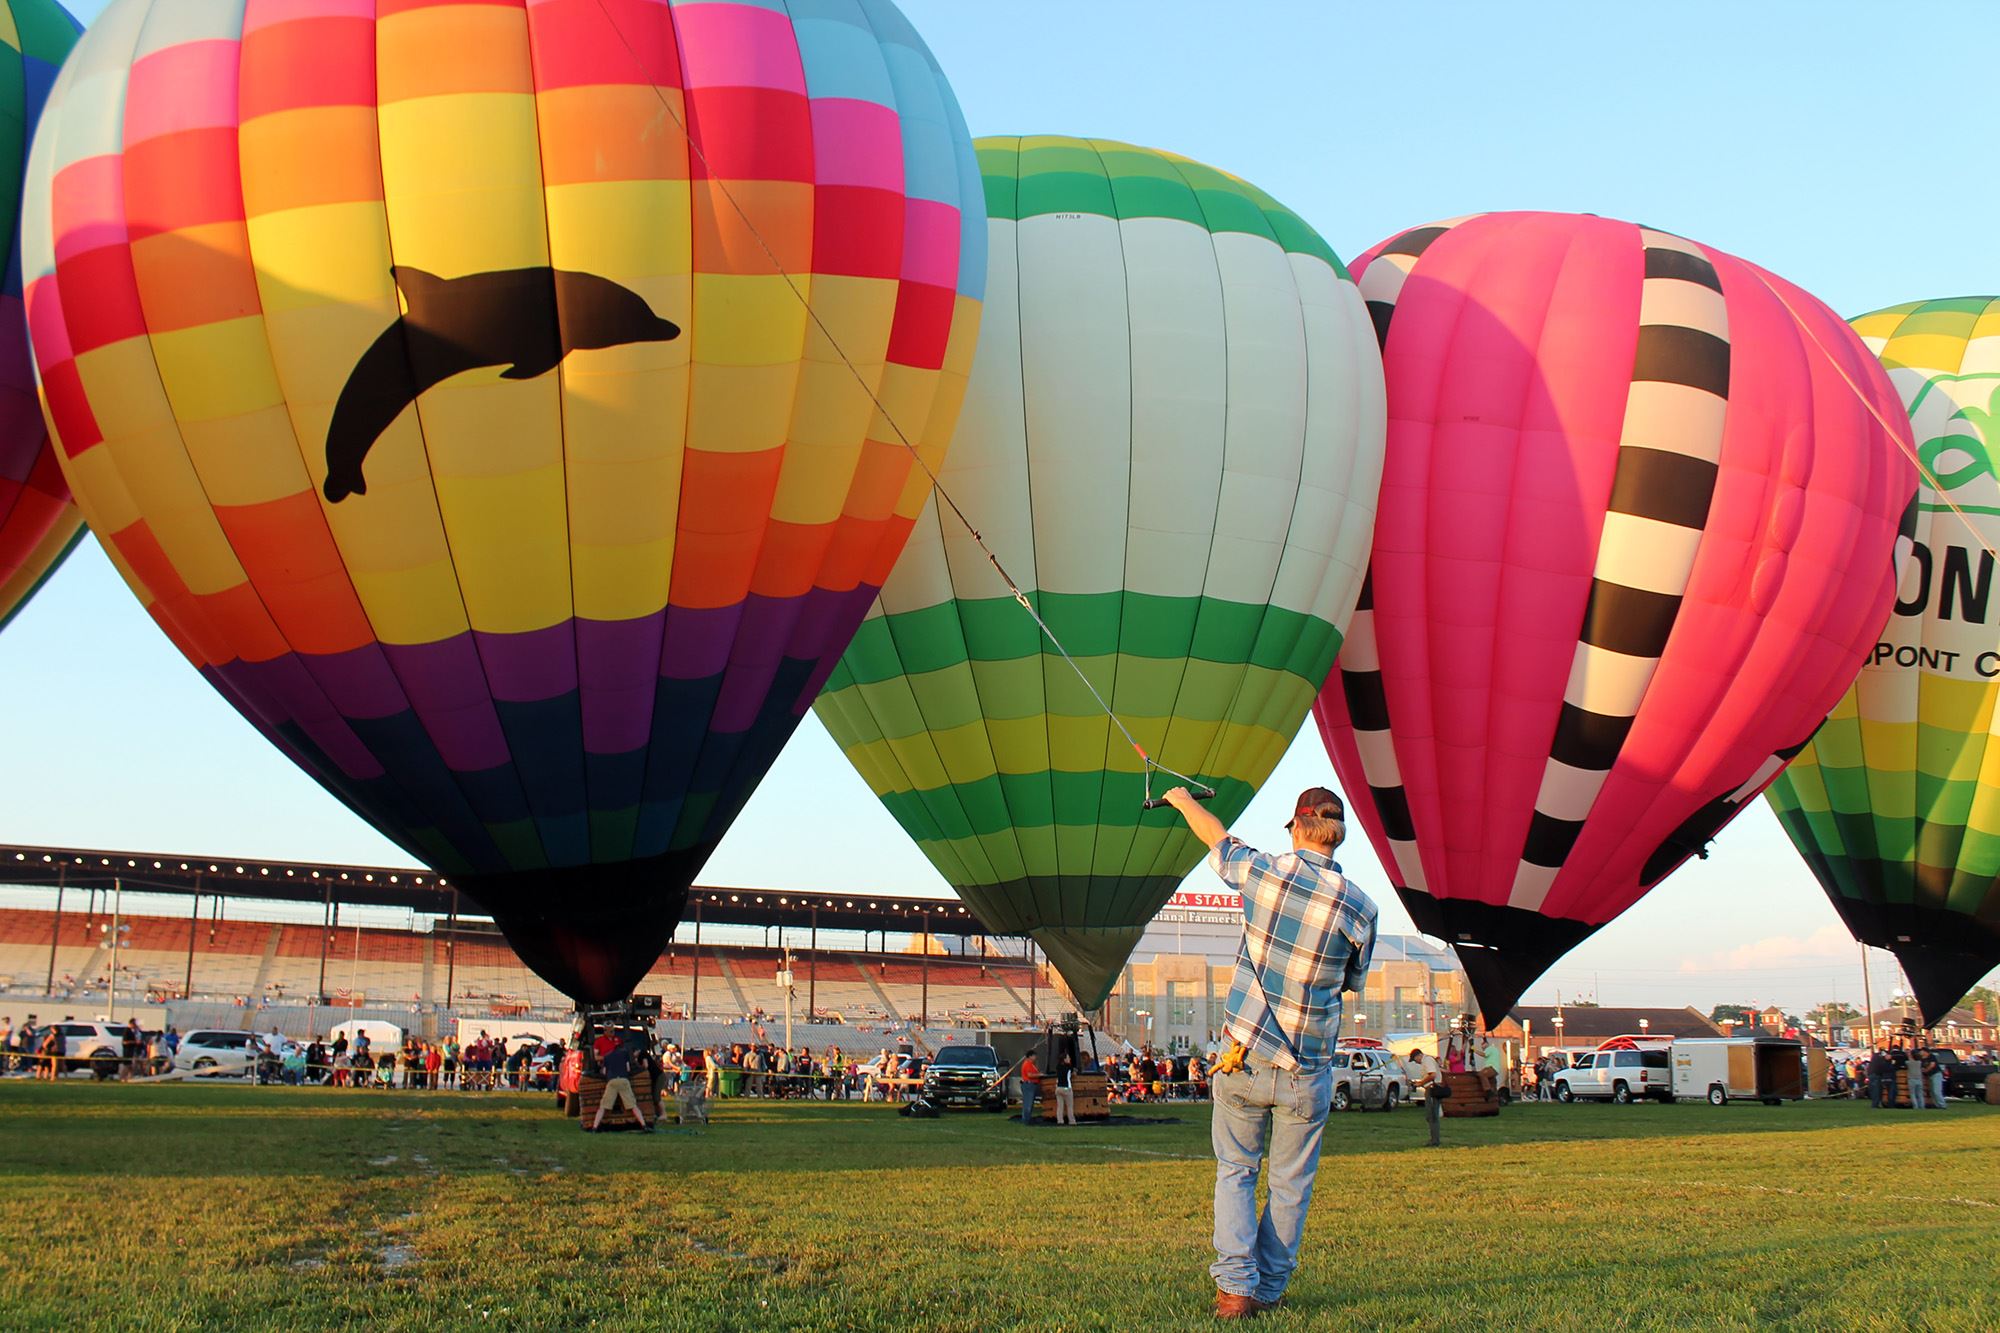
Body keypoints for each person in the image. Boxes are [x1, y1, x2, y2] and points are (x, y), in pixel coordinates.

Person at [1165, 784, 1377, 1321]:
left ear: (1297, 827)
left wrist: (1182, 800)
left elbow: (1216, 838)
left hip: (1245, 1055)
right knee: (1290, 1186)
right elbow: (1352, 981)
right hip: (1308, 1068)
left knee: (1235, 1170)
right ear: (1338, 834)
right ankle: (1269, 1288)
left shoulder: (1265, 873)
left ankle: (1235, 1290)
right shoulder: (1362, 908)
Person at [1053, 1052, 1077, 1126]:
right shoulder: (1069, 1067)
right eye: (1068, 1057)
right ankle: (1071, 1121)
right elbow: (1074, 1074)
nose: (1069, 1059)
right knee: (1069, 1106)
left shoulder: (1058, 1066)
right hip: (1067, 1088)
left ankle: (1060, 1121)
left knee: (1060, 1106)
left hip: (1058, 1088)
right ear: (1064, 1059)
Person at [1019, 1050, 1041, 1126]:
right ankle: (1026, 1120)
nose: (1035, 1057)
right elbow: (1030, 1075)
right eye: (1034, 1056)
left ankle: (1027, 1118)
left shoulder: (1031, 1064)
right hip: (1028, 1085)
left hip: (1031, 1085)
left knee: (1029, 1103)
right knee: (1028, 1103)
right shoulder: (1027, 1064)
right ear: (1030, 1056)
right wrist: (1039, 1075)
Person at [1904, 1044, 1925, 1111]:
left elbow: (1909, 1060)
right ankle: (1922, 1106)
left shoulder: (1908, 1063)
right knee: (1920, 1094)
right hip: (1919, 1079)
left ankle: (1915, 1106)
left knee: (1913, 1094)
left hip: (1911, 1079)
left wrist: (1908, 1054)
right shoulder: (1919, 1062)